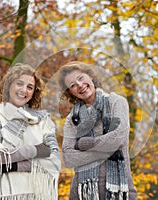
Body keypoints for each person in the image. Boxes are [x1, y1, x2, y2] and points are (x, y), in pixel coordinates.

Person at [0, 63, 61, 200]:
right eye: (19, 84)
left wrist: (8, 165)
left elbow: (53, 159)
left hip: (38, 196)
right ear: (9, 85)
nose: (24, 90)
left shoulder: (43, 121)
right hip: (3, 194)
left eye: (30, 87)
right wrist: (35, 151)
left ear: (33, 93)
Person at [57, 61, 137, 200]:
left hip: (119, 190)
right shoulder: (72, 118)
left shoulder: (116, 102)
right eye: (73, 85)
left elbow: (117, 139)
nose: (80, 85)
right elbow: (69, 158)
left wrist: (85, 144)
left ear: (90, 76)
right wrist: (103, 151)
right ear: (70, 92)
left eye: (81, 78)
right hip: (81, 192)